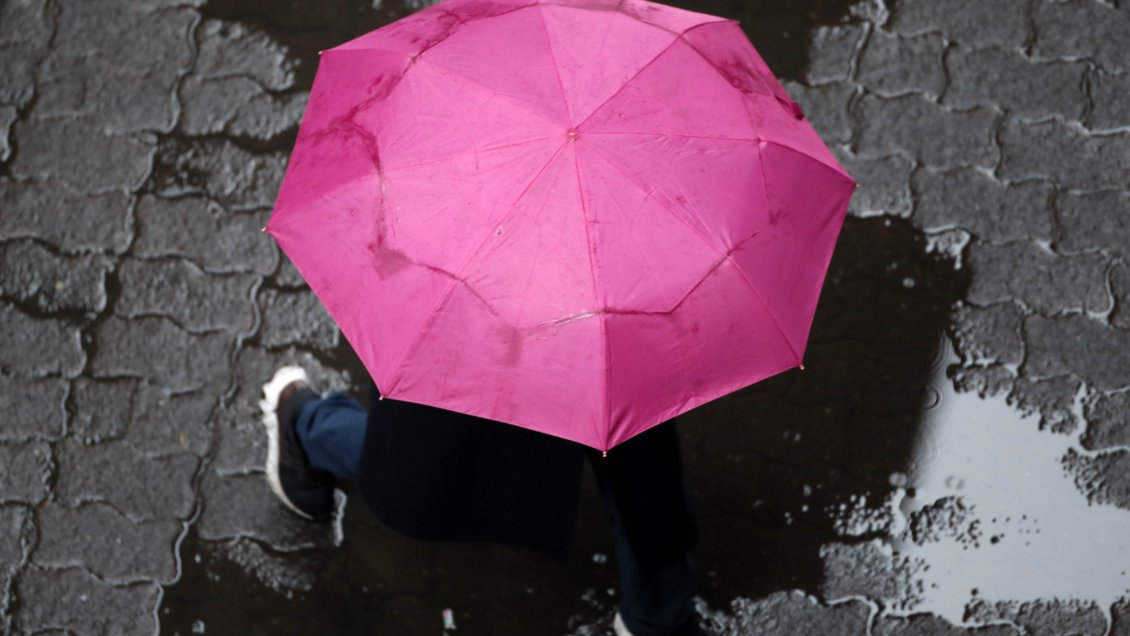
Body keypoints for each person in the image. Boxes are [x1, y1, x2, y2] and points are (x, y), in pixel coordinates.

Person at [261, 365, 707, 635]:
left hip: (611, 301)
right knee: (428, 468)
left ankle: (657, 604)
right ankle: (306, 425)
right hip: (492, 317)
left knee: (632, 424)